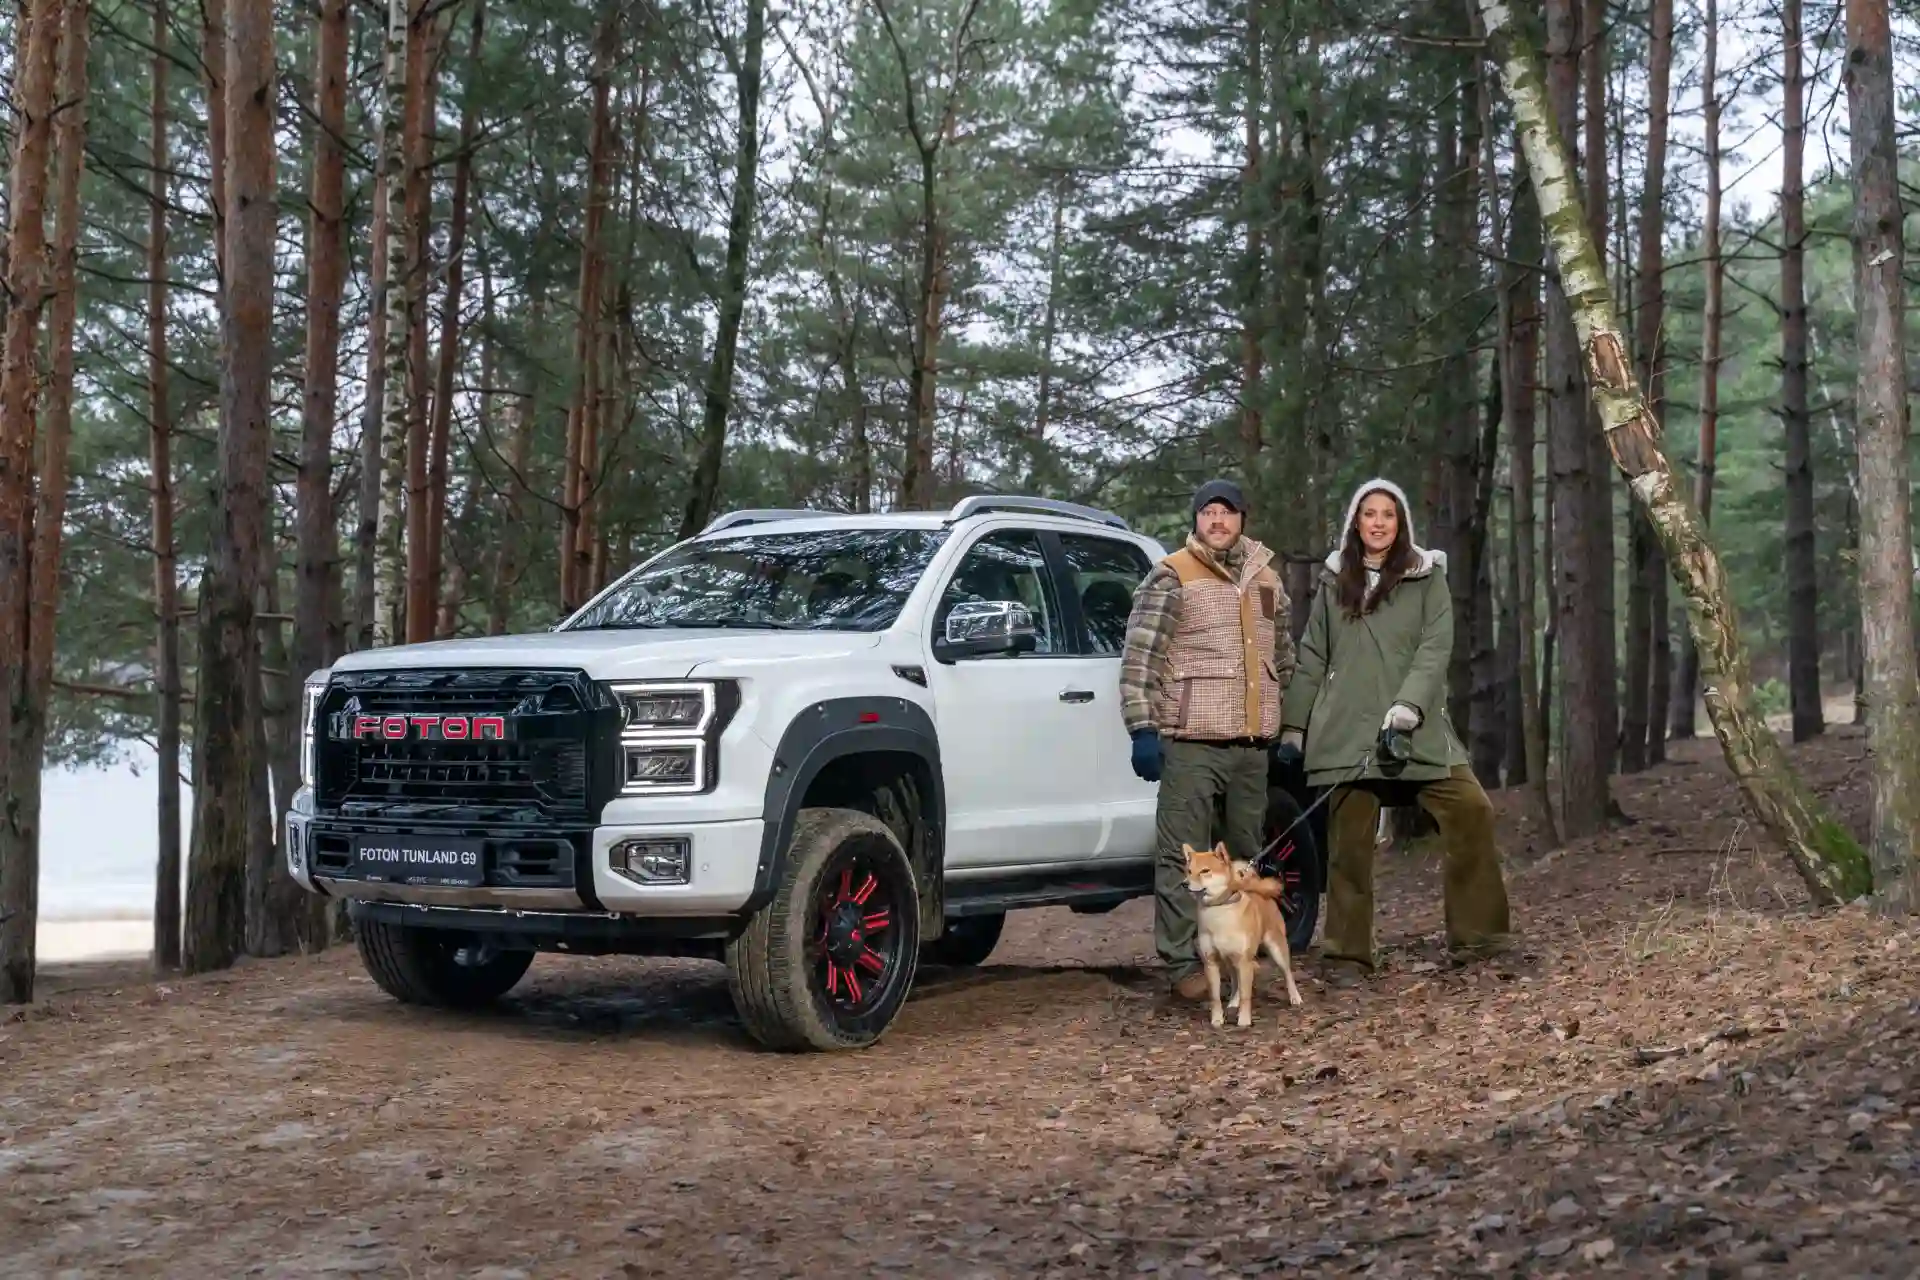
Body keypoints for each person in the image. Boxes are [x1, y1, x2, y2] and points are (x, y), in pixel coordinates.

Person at [1278, 478, 1512, 985]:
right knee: (1348, 846)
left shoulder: (1427, 576)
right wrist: (1294, 724)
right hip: (1346, 730)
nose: (1379, 522)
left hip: (1415, 729)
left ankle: (1481, 939)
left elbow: (1435, 647)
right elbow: (1313, 653)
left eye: (1388, 514)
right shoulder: (1334, 580)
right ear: (1356, 523)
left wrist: (1409, 706)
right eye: (1370, 513)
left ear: (1401, 522)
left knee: (1471, 809)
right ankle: (1347, 957)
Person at [1120, 479, 1295, 1002]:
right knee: (1185, 857)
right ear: (1196, 520)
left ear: (1242, 519)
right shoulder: (1171, 575)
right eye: (1208, 512)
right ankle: (1183, 965)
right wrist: (1143, 728)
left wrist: (1288, 725)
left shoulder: (1268, 579)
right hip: (1191, 741)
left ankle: (1240, 957)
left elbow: (1284, 659)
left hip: (1251, 746)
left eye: (1227, 512)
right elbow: (1141, 658)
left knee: (1243, 859)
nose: (1217, 521)